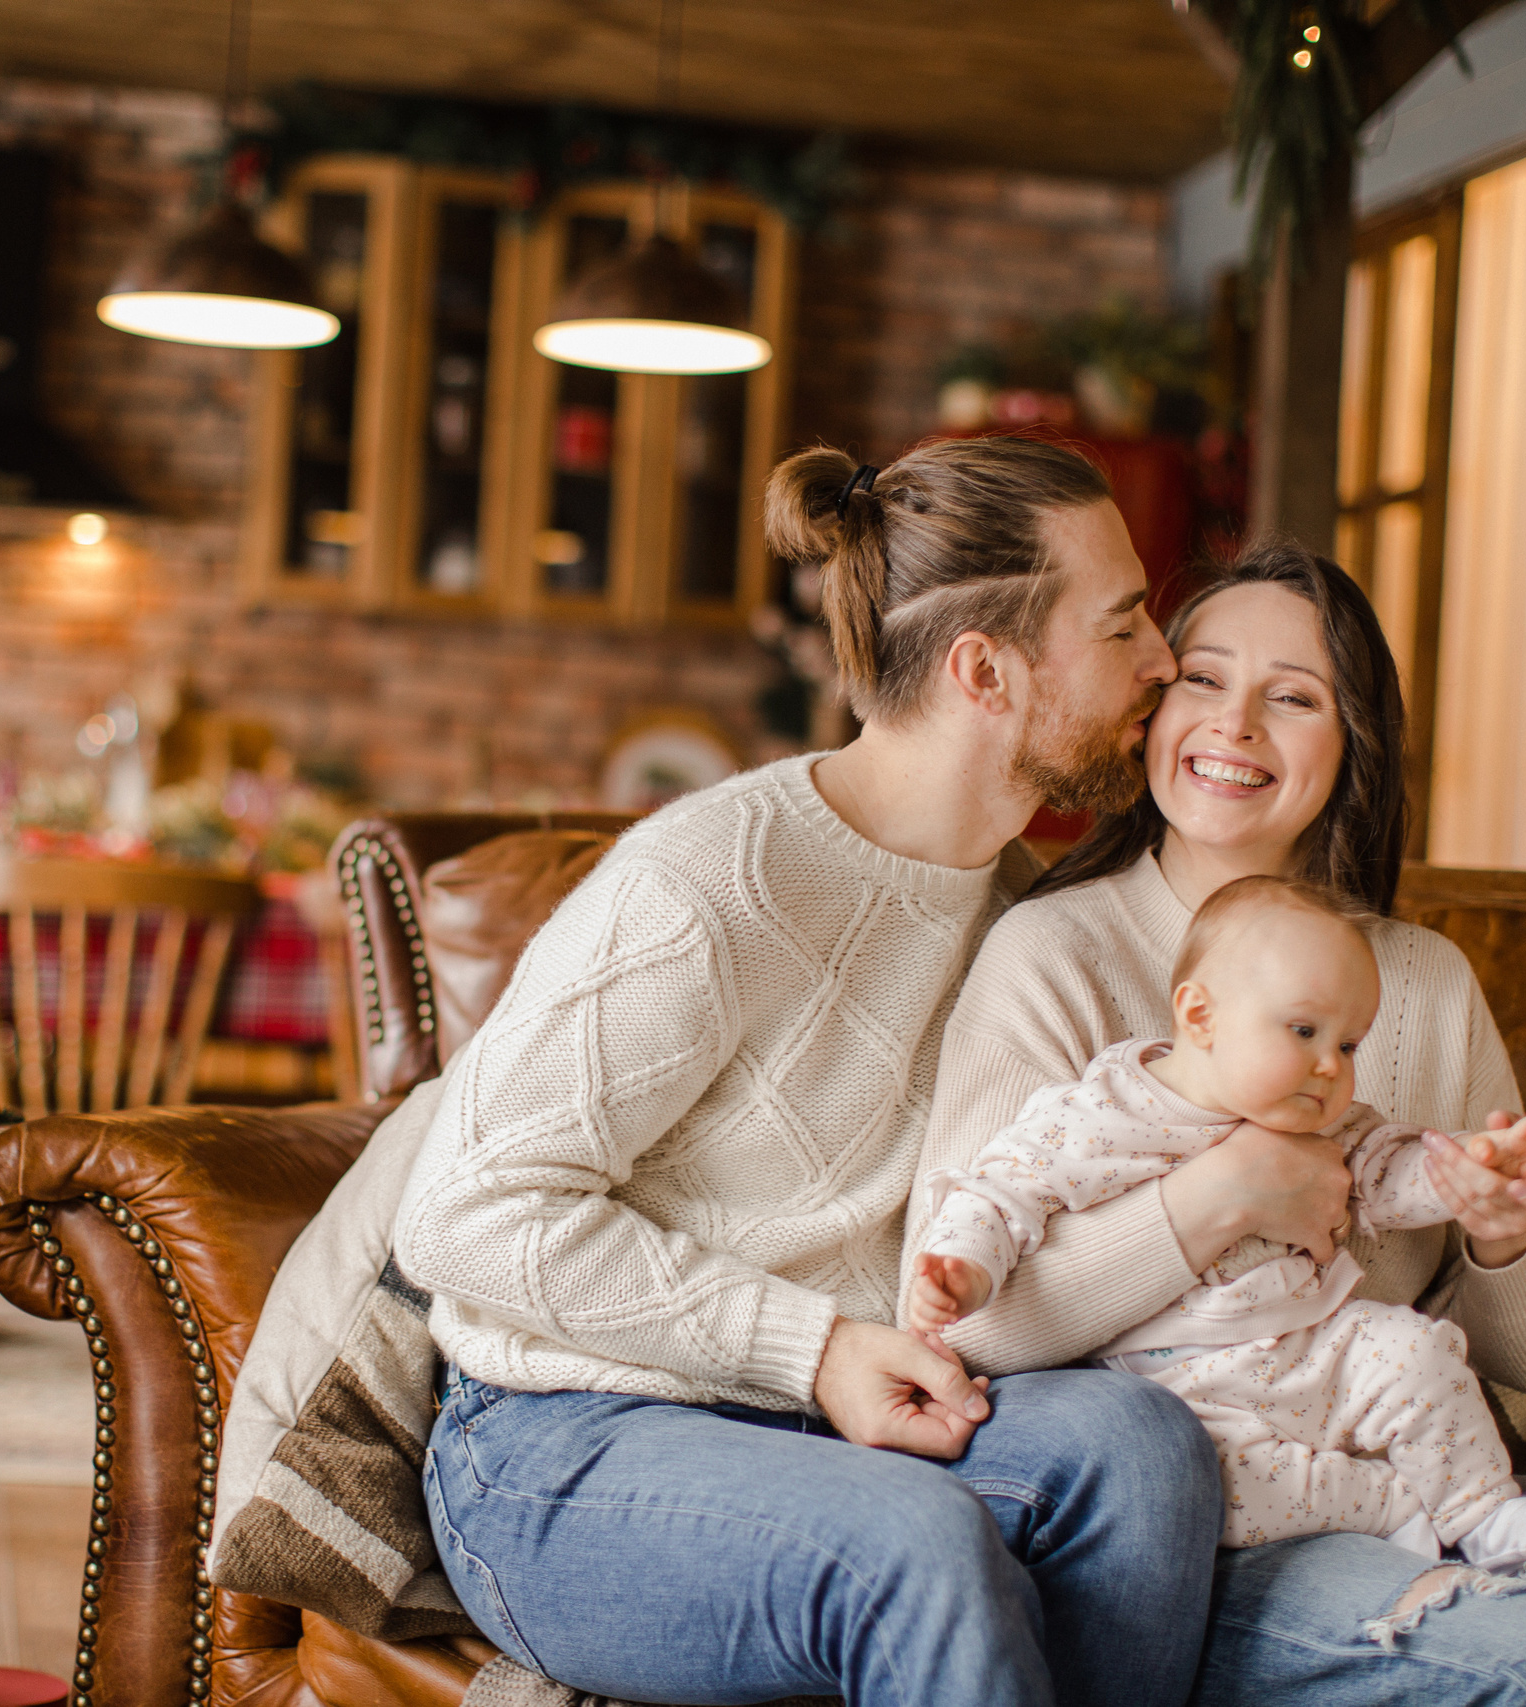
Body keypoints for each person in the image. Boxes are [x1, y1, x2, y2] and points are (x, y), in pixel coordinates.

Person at [917, 540, 1526, 1704]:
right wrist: (1222, 1197)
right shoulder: (1051, 956)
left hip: (1410, 1440)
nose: (1234, 723)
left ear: (1350, 752)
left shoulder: (1421, 983)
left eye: (1293, 698)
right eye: (1203, 678)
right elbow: (964, 1331)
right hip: (1204, 1495)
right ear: (1149, 708)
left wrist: (1506, 1234)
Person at [394, 437, 1213, 1707]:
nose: (1164, 660)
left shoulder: (1022, 916)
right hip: (562, 1447)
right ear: (984, 671)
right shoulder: (712, 883)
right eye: (1123, 626)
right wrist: (813, 1346)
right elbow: (464, 1214)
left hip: (831, 1428)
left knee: (1143, 1452)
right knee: (912, 1545)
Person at [910, 874, 1526, 1570]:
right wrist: (965, 1269)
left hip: (1318, 1344)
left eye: (1349, 1045)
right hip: (1182, 1388)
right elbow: (999, 1192)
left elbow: (1392, 1174)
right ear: (1199, 1017)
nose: (1330, 1066)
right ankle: (1389, 1505)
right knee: (1209, 1485)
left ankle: (1483, 1511)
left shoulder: (1329, 1124)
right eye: (1304, 1031)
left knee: (1417, 1351)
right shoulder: (1100, 1114)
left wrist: (1470, 1166)